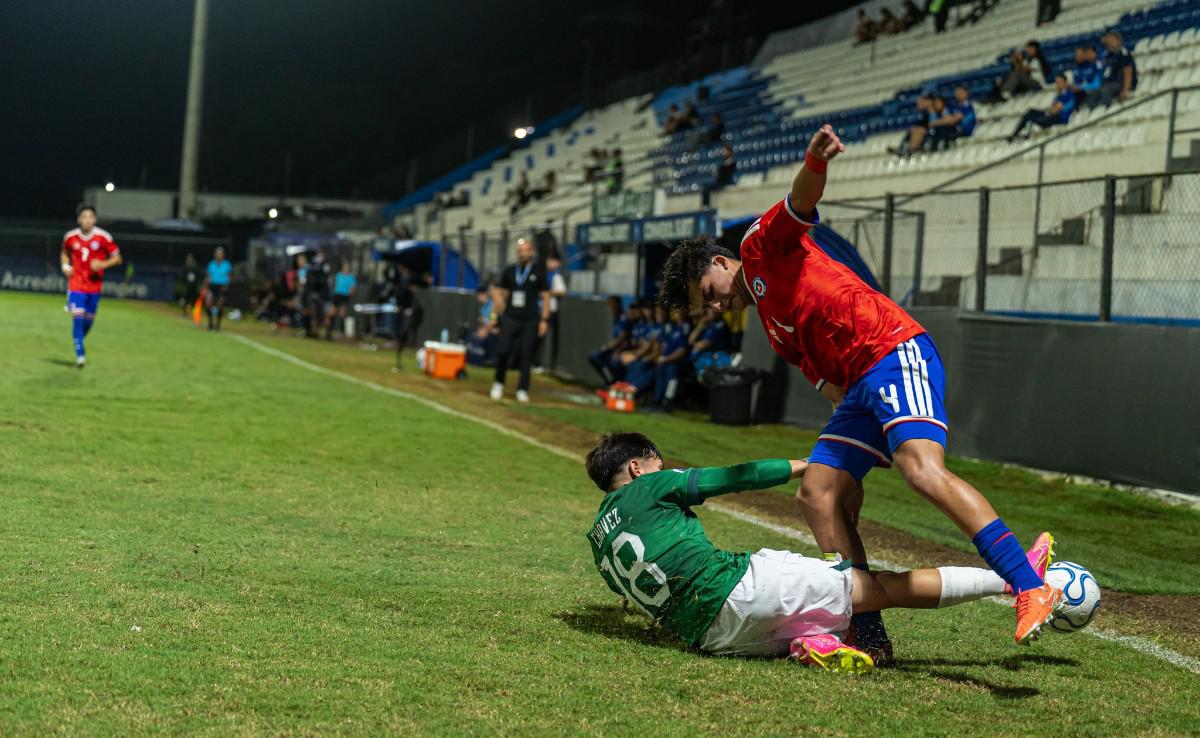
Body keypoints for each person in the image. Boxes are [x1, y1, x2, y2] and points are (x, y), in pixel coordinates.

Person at [657, 124, 1066, 662]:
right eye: (706, 307)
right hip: (860, 389)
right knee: (819, 494)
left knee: (922, 471)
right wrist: (851, 469)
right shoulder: (774, 328)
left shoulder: (759, 247)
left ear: (719, 262)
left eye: (708, 294)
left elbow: (801, 201)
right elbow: (831, 388)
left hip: (891, 349)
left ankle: (1029, 584)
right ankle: (867, 630)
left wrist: (816, 160)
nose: (716, 307)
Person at [585, 433, 1057, 672]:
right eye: (658, 461)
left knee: (804, 598)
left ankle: (814, 642)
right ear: (637, 467)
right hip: (739, 593)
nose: (664, 467)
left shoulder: (597, 540)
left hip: (714, 640)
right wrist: (807, 466)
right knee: (881, 588)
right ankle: (1013, 578)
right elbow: (733, 476)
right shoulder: (651, 486)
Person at [60, 205, 121, 368]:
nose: (87, 220)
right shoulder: (70, 237)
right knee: (78, 319)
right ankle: (80, 356)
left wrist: (103, 264)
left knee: (87, 323)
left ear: (95, 219)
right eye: (84, 217)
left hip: (94, 286)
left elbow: (118, 258)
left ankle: (78, 339)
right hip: (76, 284)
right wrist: (65, 266)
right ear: (78, 219)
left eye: (90, 217)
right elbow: (64, 253)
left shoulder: (103, 237)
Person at [489, 238, 550, 403]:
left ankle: (522, 389)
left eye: (526, 250)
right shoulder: (510, 271)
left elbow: (546, 297)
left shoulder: (538, 271)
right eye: (520, 251)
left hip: (530, 320)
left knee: (526, 354)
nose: (523, 254)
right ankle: (498, 383)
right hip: (510, 317)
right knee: (503, 351)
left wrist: (544, 320)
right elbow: (498, 295)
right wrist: (493, 317)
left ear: (532, 252)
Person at [1008, 73, 1076, 142]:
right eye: (1056, 83)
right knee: (1031, 111)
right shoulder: (1060, 94)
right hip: (1052, 116)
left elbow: (1056, 110)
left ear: (1065, 82)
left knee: (1030, 117)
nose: (1057, 85)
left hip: (1058, 119)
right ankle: (1016, 134)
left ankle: (1018, 135)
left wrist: (1047, 112)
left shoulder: (1066, 93)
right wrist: (1048, 111)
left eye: (1059, 82)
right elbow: (1053, 108)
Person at [649, 310, 691, 411]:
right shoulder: (672, 328)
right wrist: (660, 357)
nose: (676, 314)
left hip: (680, 362)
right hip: (667, 360)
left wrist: (665, 359)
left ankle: (668, 401)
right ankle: (657, 400)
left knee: (672, 370)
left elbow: (682, 351)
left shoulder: (686, 327)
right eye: (674, 312)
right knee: (659, 368)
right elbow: (663, 344)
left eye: (679, 311)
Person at [588, 296, 633, 385]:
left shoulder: (623, 318)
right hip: (614, 349)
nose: (610, 307)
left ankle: (615, 382)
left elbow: (622, 339)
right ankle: (609, 380)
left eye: (612, 304)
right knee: (593, 356)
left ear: (617, 305)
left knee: (613, 362)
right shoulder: (615, 318)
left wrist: (608, 348)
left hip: (622, 350)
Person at [927, 86, 977, 150]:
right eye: (957, 92)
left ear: (966, 93)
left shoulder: (970, 105)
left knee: (944, 131)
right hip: (956, 130)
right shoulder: (954, 106)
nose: (958, 94)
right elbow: (948, 118)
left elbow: (954, 119)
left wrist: (935, 123)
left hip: (967, 131)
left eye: (960, 92)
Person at [1097, 31, 1137, 107]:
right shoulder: (1109, 55)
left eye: (1112, 41)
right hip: (1111, 84)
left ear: (1119, 41)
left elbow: (1127, 72)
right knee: (1093, 93)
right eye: (1108, 42)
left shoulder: (1123, 53)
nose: (1110, 43)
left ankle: (1107, 109)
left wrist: (1125, 90)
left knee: (1105, 89)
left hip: (1122, 84)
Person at [202, 246, 232, 332]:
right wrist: (205, 287)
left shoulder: (227, 264)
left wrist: (227, 286)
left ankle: (218, 324)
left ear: (223, 255)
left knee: (220, 305)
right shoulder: (211, 264)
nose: (219, 255)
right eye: (218, 253)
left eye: (220, 254)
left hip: (222, 287)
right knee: (208, 303)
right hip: (212, 286)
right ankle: (210, 322)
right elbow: (208, 276)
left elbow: (229, 276)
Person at [327, 261, 357, 339]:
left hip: (345, 296)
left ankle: (341, 331)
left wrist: (350, 295)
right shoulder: (338, 275)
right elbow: (333, 283)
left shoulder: (351, 277)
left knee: (342, 314)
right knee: (332, 312)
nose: (346, 268)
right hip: (337, 295)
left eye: (347, 267)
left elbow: (353, 288)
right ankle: (329, 331)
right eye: (345, 267)